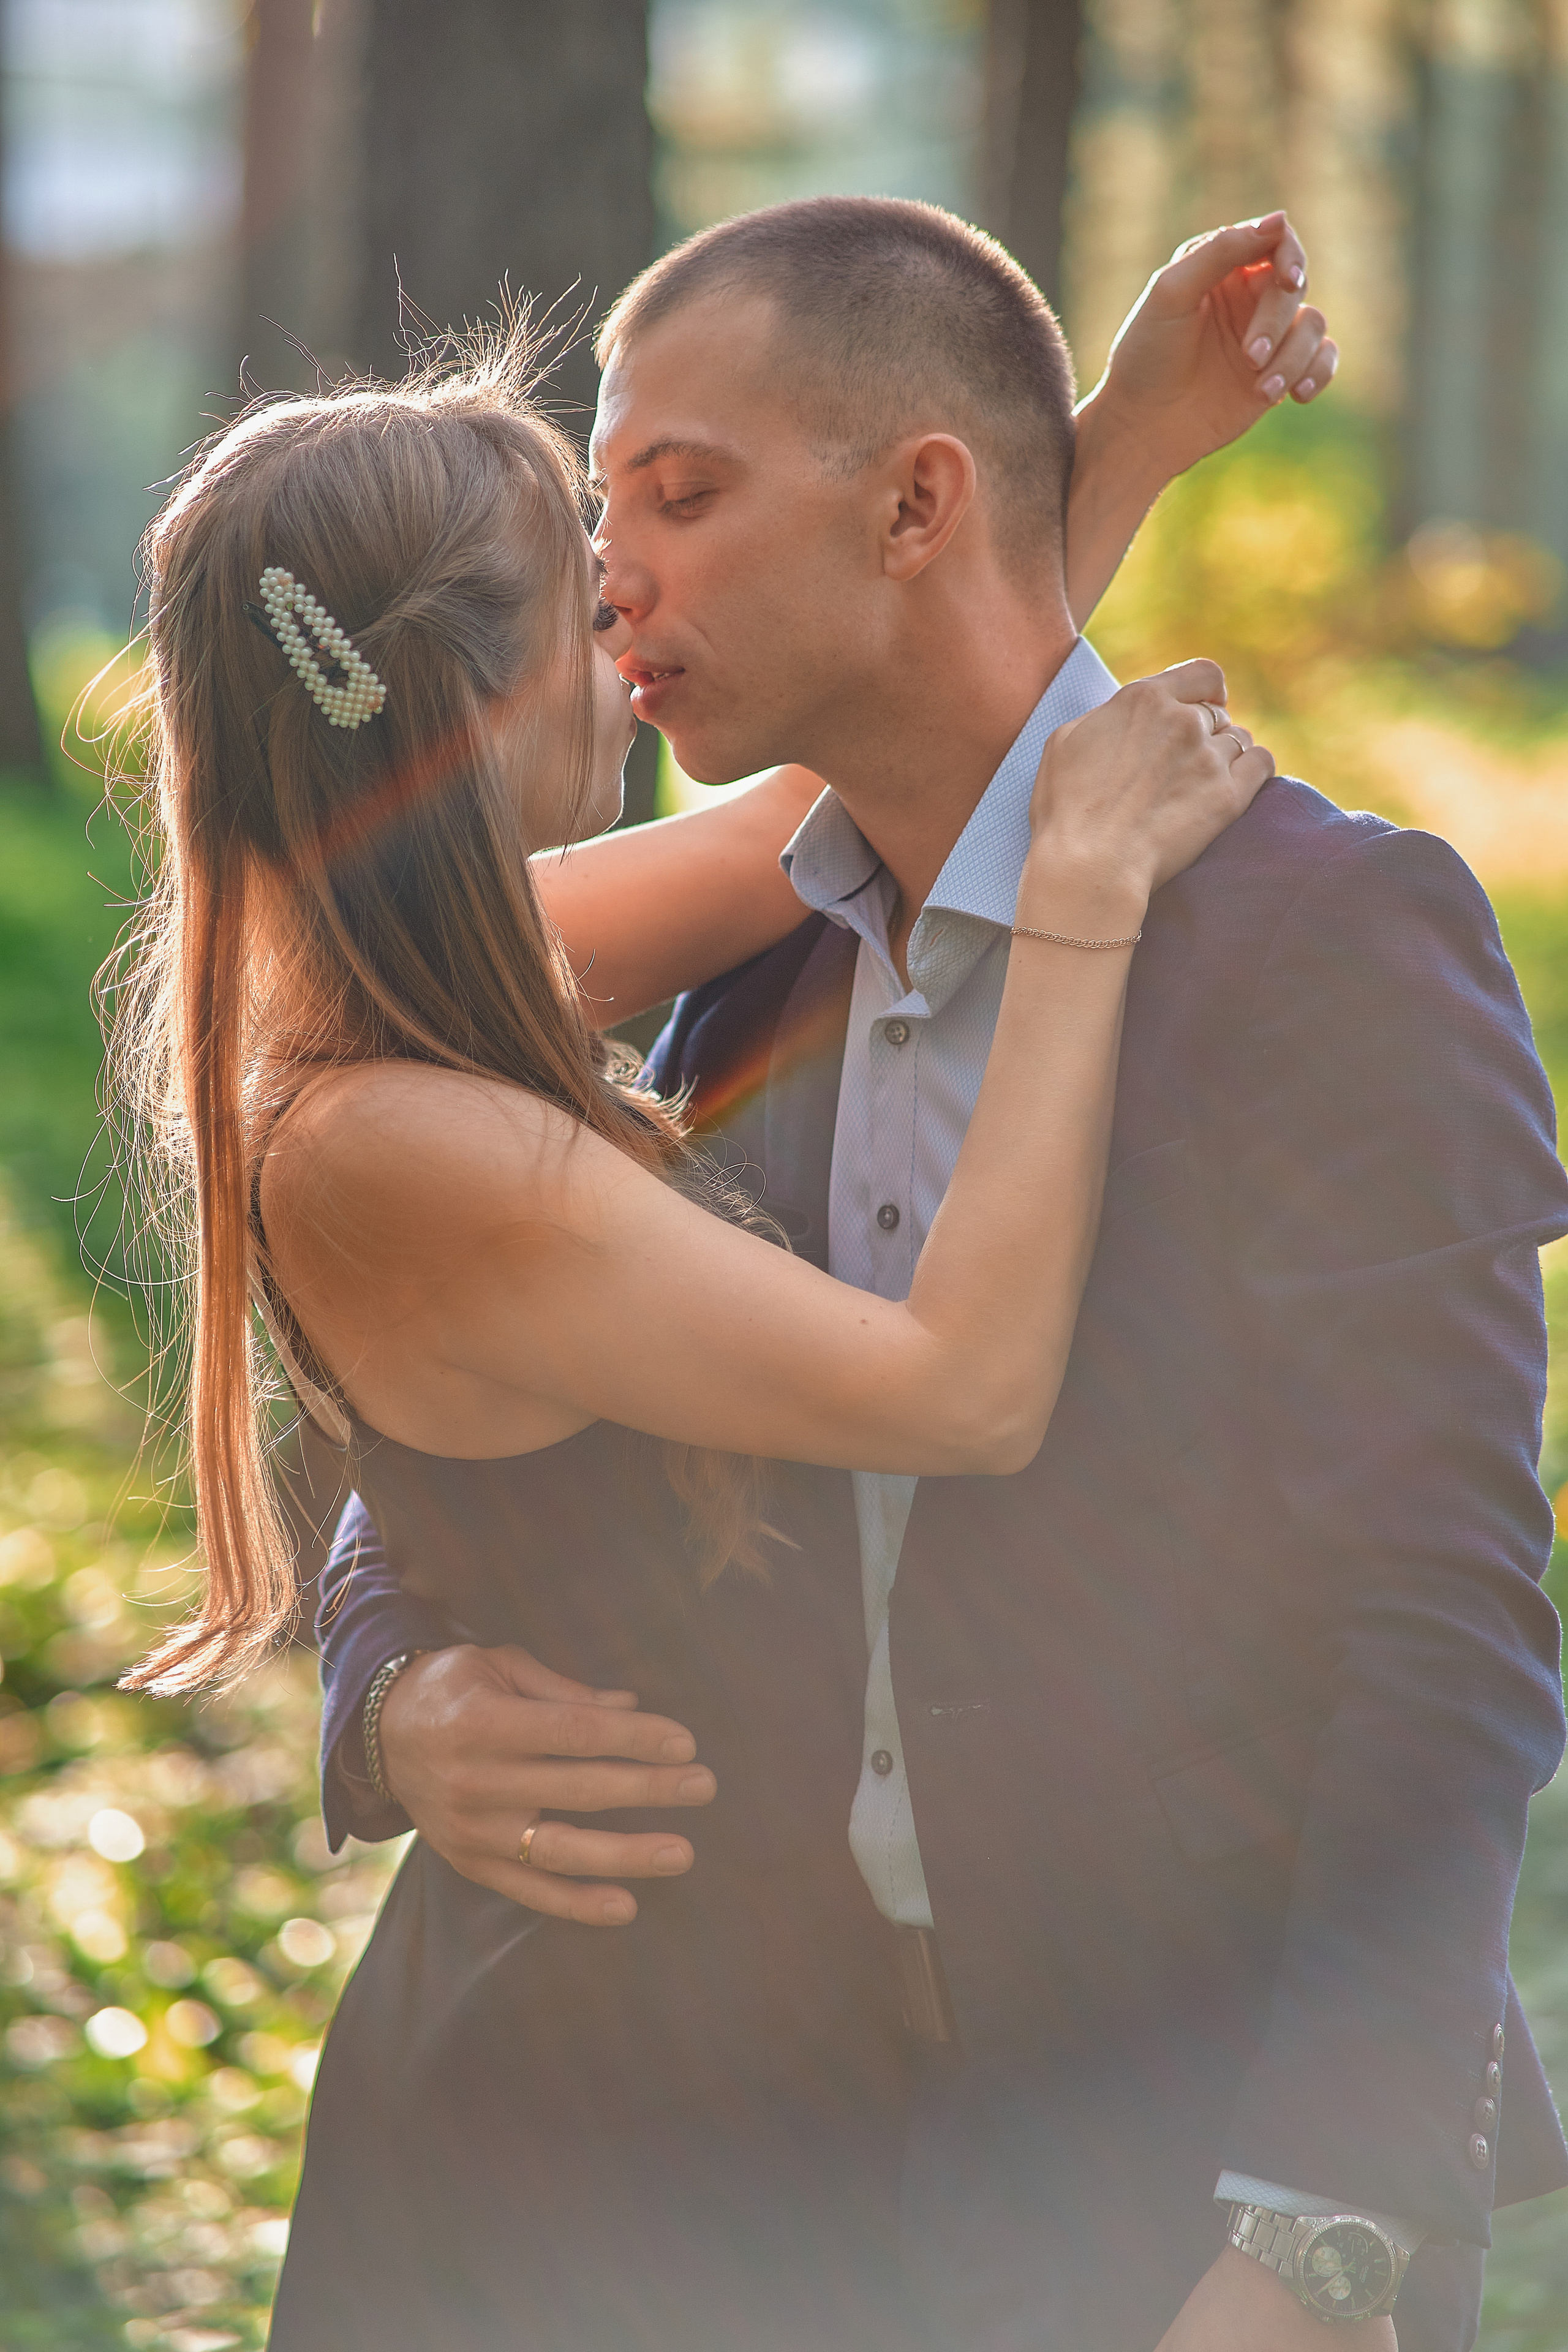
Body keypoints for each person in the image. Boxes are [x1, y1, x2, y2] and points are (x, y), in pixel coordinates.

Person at [316, 197, 1568, 2352]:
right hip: (742, 2171)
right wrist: (391, 1681)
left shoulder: (1331, 935)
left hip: (1164, 2181)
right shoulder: (734, 971)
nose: (614, 577)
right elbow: (505, 1370)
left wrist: (1326, 2234)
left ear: (915, 505)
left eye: (681, 496)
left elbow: (1443, 1619)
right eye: (604, 511)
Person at [112, 271, 1270, 2346]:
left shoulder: (443, 974)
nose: (641, 630)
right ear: (459, 702)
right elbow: (963, 1390)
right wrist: (1082, 900)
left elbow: (828, 796)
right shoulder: (390, 1138)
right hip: (591, 2121)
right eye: (589, 599)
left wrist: (1119, 436)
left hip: (736, 2060)